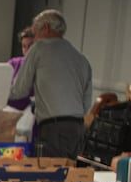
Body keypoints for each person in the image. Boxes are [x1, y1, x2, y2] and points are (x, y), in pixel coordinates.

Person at [10, 9, 94, 159]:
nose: (34, 39)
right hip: (77, 128)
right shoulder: (81, 59)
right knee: (67, 177)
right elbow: (86, 104)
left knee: (48, 177)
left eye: (35, 34)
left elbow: (19, 90)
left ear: (46, 28)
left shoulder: (39, 49)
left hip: (53, 128)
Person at [7, 26, 35, 111]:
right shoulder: (14, 63)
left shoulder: (41, 68)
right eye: (24, 46)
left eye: (30, 46)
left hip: (29, 111)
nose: (26, 50)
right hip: (9, 108)